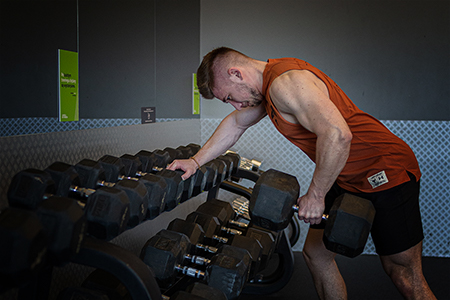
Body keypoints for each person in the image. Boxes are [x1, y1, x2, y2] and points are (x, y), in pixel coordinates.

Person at [167, 47, 436, 300]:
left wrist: (316, 195)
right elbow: (236, 125)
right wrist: (195, 161)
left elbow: (338, 135)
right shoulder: (268, 89)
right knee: (316, 255)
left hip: (384, 168)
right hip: (344, 174)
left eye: (229, 98)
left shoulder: (286, 84)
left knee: (402, 273)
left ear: (236, 74)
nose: (236, 106)